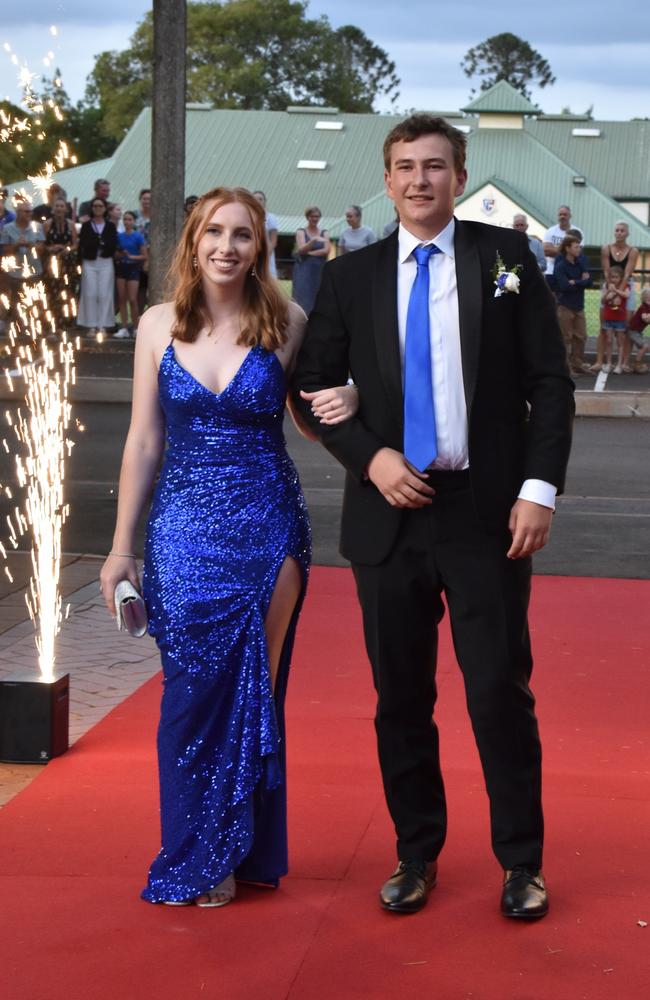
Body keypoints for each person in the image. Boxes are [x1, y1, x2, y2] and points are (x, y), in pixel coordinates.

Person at [292, 113, 574, 921]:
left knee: (496, 689)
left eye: (437, 166)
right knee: (401, 697)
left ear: (460, 176)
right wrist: (370, 455)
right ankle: (416, 853)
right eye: (406, 167)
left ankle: (523, 862)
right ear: (386, 180)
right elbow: (311, 387)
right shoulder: (350, 277)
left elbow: (549, 385)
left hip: (485, 513)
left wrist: (538, 489)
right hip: (388, 515)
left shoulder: (507, 260)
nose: (421, 179)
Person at [99, 186, 357, 908]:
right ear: (193, 240)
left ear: (259, 249)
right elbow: (144, 439)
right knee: (190, 697)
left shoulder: (289, 321)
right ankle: (197, 850)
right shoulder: (156, 324)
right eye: (214, 231)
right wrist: (121, 548)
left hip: (269, 528)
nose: (227, 246)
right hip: (180, 532)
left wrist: (355, 399)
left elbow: (313, 421)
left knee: (256, 694)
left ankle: (241, 852)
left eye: (242, 235)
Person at [591, 222, 640, 373]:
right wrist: (611, 292)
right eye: (617, 230)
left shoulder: (633, 251)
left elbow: (626, 274)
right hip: (609, 285)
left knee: (625, 327)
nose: (619, 233)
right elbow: (606, 271)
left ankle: (624, 362)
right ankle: (600, 361)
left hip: (626, 286)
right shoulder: (606, 249)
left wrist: (618, 294)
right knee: (604, 327)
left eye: (622, 231)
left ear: (627, 233)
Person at [0, 200, 46, 334]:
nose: (29, 214)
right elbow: (5, 249)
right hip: (15, 271)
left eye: (30, 211)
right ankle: (18, 327)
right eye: (26, 211)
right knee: (15, 301)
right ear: (18, 213)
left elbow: (42, 248)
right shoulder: (8, 228)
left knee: (34, 300)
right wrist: (17, 245)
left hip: (34, 270)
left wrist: (30, 245)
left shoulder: (37, 226)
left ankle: (34, 327)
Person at [77, 195, 118, 337]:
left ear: (105, 208)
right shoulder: (86, 226)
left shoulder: (111, 226)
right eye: (95, 206)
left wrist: (102, 245)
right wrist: (98, 243)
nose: (98, 209)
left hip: (105, 261)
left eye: (100, 206)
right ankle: (91, 325)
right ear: (91, 208)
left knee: (105, 294)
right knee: (90, 293)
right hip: (89, 261)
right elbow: (83, 244)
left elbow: (112, 244)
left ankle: (103, 325)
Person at [553, 234, 593, 375]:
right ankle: (565, 366)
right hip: (565, 306)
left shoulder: (580, 263)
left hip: (579, 305)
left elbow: (590, 282)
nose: (579, 249)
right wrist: (580, 281)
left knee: (581, 336)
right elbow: (564, 286)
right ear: (568, 248)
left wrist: (575, 282)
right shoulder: (560, 266)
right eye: (576, 246)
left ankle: (578, 363)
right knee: (566, 337)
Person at [43, 195, 78, 331]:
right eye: (56, 206)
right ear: (53, 209)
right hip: (52, 262)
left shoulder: (71, 225)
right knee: (52, 291)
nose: (59, 208)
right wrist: (50, 248)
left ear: (66, 209)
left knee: (68, 291)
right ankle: (52, 321)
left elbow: (75, 244)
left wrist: (67, 249)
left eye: (61, 206)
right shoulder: (47, 225)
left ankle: (67, 321)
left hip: (67, 262)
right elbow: (42, 245)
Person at [114, 210, 148, 338]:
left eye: (129, 219)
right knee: (122, 298)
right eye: (125, 219)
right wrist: (120, 255)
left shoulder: (138, 236)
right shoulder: (119, 236)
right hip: (121, 268)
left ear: (133, 222)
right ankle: (123, 327)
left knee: (133, 299)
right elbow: (115, 254)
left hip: (133, 269)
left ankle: (135, 327)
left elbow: (144, 256)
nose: (127, 222)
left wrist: (131, 257)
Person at [292, 206, 330, 315]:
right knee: (302, 295)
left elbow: (326, 250)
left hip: (319, 269)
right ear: (308, 217)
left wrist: (309, 253)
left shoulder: (325, 232)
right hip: (304, 269)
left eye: (317, 216)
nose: (315, 219)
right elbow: (301, 249)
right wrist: (313, 241)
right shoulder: (301, 232)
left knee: (319, 295)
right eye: (312, 216)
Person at [543, 206, 583, 294]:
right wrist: (564, 249)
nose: (562, 216)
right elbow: (546, 251)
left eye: (565, 214)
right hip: (551, 271)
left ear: (570, 216)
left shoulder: (577, 232)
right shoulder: (550, 231)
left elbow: (578, 253)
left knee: (567, 299)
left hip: (570, 272)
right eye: (560, 214)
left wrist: (555, 250)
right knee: (551, 299)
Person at [601, 265, 630, 374]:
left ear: (621, 278)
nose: (614, 279)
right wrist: (609, 291)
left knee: (620, 341)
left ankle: (619, 365)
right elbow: (603, 301)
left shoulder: (625, 286)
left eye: (616, 277)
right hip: (608, 317)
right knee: (609, 340)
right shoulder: (606, 286)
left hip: (620, 319)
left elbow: (626, 295)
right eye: (612, 277)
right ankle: (608, 363)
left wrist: (616, 291)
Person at [253, 190, 279, 277]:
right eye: (255, 199)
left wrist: (265, 255)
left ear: (265, 201)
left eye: (260, 199)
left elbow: (273, 241)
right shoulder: (246, 216)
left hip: (267, 253)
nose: (258, 201)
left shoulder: (271, 218)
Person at [625, 286, 650, 373]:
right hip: (633, 331)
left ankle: (637, 362)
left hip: (637, 331)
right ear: (643, 299)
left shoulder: (647, 307)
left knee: (645, 347)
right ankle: (637, 364)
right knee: (645, 346)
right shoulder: (644, 307)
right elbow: (645, 318)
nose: (649, 302)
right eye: (647, 299)